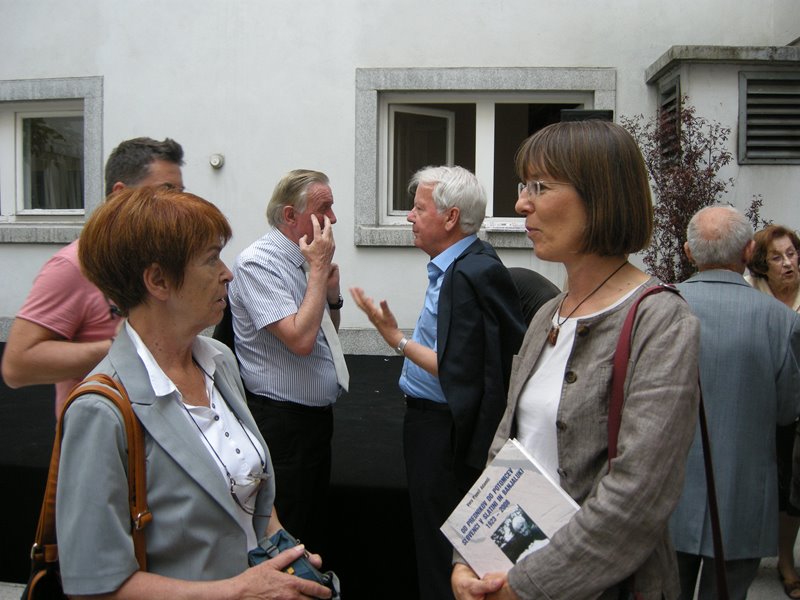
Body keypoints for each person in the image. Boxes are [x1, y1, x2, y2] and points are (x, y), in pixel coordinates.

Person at [452, 120, 701, 600]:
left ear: (600, 196)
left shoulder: (661, 320)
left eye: (540, 187)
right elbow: (507, 452)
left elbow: (637, 498)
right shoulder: (549, 313)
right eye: (523, 187)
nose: (522, 204)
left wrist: (523, 587)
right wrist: (469, 559)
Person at [56, 186, 332, 598]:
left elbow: (250, 494)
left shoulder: (219, 361)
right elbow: (94, 584)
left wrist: (285, 554)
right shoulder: (100, 410)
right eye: (210, 258)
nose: (227, 273)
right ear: (158, 281)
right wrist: (237, 591)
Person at [350, 165, 526, 600]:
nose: (410, 217)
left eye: (418, 208)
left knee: (441, 553)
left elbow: (458, 368)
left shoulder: (470, 272)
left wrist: (395, 339)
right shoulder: (462, 264)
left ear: (450, 218)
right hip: (436, 427)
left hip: (445, 434)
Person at [669, 206, 800, 600]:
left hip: (669, 495)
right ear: (748, 251)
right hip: (743, 494)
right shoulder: (782, 321)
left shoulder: (660, 306)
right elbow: (787, 411)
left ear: (689, 252)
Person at [1, 137, 185, 415]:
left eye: (181, 192)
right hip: (99, 432)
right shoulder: (74, 264)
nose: (179, 203)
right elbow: (17, 366)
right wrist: (121, 347)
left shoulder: (162, 260)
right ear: (120, 194)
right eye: (167, 190)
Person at [228, 169, 347, 555]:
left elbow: (326, 332)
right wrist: (319, 272)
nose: (332, 219)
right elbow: (300, 339)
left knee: (312, 524)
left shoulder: (305, 258)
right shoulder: (258, 263)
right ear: (290, 215)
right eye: (323, 208)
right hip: (283, 424)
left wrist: (332, 295)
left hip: (313, 421)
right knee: (289, 533)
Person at [746, 224, 800, 598]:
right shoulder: (751, 292)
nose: (788, 263)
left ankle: (785, 560)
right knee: (762, 484)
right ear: (763, 265)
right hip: (760, 404)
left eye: (792, 254)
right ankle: (745, 556)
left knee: (794, 489)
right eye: (777, 257)